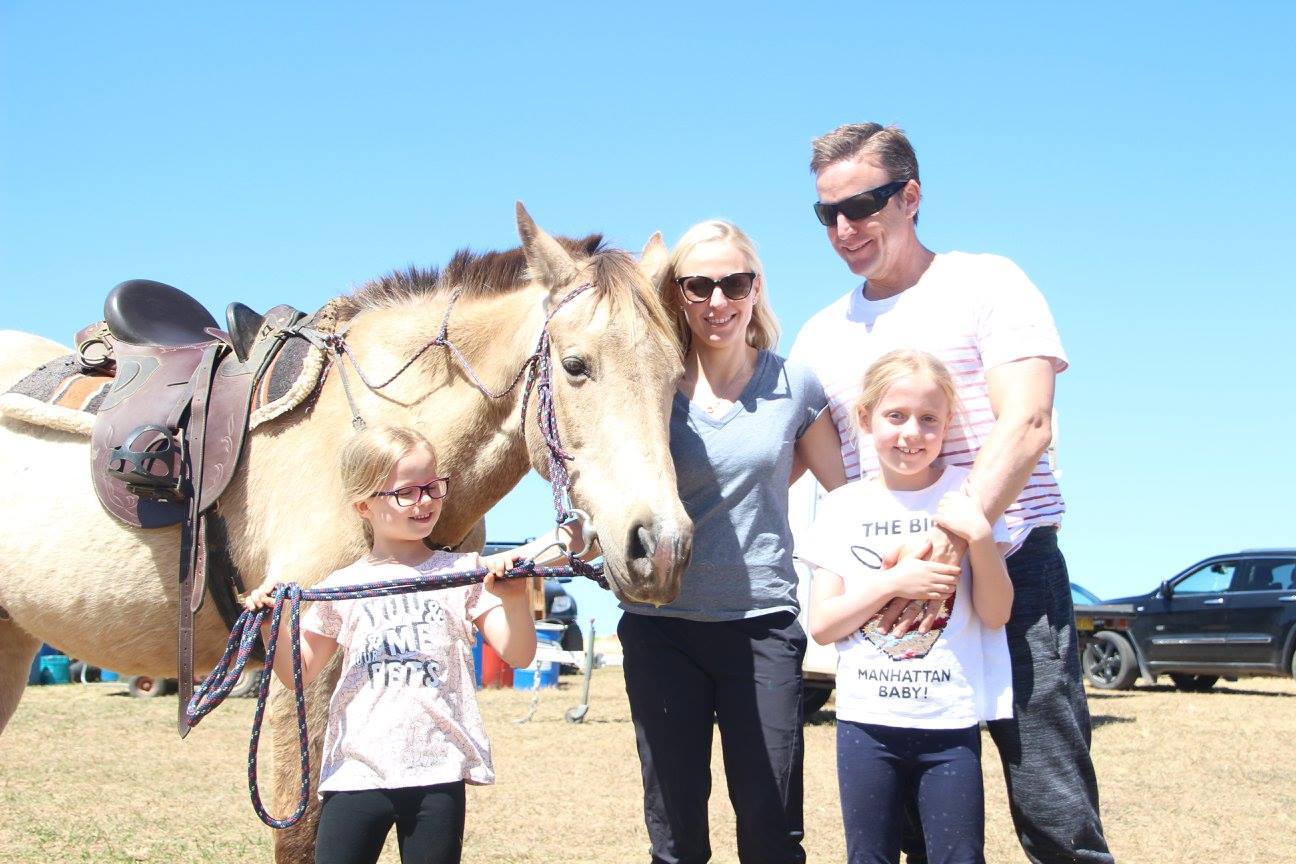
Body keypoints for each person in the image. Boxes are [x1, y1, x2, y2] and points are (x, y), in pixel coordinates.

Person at [789, 123, 1114, 864]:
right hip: (893, 594)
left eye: (863, 204)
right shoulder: (818, 338)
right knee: (906, 830)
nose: (844, 228)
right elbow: (811, 468)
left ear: (911, 197)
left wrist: (945, 543)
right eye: (825, 213)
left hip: (1012, 574)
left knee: (1054, 807)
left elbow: (1028, 420)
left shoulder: (986, 282)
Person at [242, 424, 592, 864]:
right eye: (406, 492)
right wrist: (272, 622)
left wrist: (514, 594)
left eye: (432, 487)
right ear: (364, 505)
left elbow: (518, 654)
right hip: (355, 773)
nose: (425, 501)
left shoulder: (463, 573)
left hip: (436, 773)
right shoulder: (342, 586)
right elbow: (298, 674)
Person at [618, 219, 846, 864]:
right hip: (659, 626)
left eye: (733, 283)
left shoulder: (793, 384)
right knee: (676, 834)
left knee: (772, 833)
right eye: (698, 286)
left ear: (755, 288)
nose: (717, 301)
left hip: (762, 630)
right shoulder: (647, 387)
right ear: (678, 294)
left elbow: (846, 495)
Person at [801, 350, 1014, 864]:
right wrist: (893, 581)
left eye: (929, 420)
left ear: (947, 426)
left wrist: (980, 536)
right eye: (895, 416)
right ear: (865, 419)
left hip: (951, 724)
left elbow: (996, 612)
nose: (911, 433)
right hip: (866, 724)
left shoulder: (965, 495)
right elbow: (824, 624)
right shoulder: (842, 507)